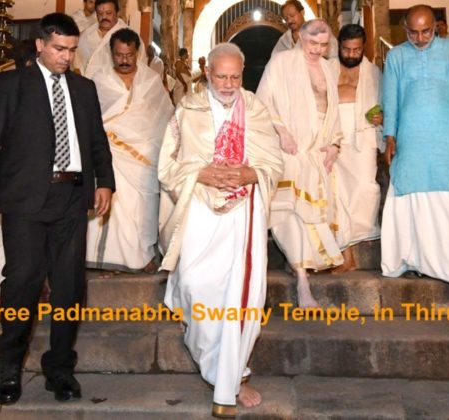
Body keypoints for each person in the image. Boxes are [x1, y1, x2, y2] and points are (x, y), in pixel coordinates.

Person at [0, 13, 115, 405]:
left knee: (70, 289)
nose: (66, 57)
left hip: (72, 200)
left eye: (71, 50)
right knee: (21, 286)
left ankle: (60, 370)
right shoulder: (10, 84)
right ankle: (9, 367)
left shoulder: (84, 89)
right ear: (39, 45)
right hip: (24, 202)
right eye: (58, 49)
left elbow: (97, 142)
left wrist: (106, 182)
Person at [158, 42, 283, 419]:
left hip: (243, 212)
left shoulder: (256, 109)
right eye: (220, 76)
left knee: (239, 298)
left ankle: (232, 378)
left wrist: (251, 173)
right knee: (196, 285)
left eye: (234, 76)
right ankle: (214, 365)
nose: (228, 84)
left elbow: (273, 161)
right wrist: (200, 173)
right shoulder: (187, 109)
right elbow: (166, 166)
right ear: (207, 74)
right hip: (199, 207)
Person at [380, 5, 449, 308]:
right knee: (412, 198)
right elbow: (391, 98)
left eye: (426, 31)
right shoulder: (396, 56)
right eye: (413, 32)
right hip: (411, 140)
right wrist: (390, 135)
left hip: (447, 139)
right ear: (405, 29)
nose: (420, 37)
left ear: (436, 27)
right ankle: (418, 259)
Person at [257, 19, 344, 308]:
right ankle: (302, 281)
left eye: (323, 45)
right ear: (300, 39)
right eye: (312, 44)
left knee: (310, 217)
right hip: (289, 150)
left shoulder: (330, 68)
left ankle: (301, 271)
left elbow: (333, 112)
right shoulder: (282, 62)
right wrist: (280, 131)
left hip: (317, 155)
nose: (317, 50)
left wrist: (334, 145)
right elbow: (263, 101)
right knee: (288, 214)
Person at [86, 28, 174, 275]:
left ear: (138, 53)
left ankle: (142, 255)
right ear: (111, 54)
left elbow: (165, 117)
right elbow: (91, 118)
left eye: (129, 55)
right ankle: (108, 259)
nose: (124, 60)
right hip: (109, 153)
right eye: (119, 55)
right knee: (113, 207)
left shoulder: (151, 81)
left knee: (142, 208)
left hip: (144, 157)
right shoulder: (98, 79)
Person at [329, 24, 382, 274]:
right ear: (339, 46)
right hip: (332, 137)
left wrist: (382, 117)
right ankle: (345, 257)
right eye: (346, 49)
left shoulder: (373, 73)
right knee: (335, 194)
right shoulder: (326, 69)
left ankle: (356, 238)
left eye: (356, 49)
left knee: (364, 188)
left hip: (363, 136)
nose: (351, 54)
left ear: (364, 48)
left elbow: (385, 104)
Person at [76, 0, 143, 78]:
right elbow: (77, 61)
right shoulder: (87, 34)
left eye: (108, 13)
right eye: (100, 13)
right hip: (87, 85)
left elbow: (139, 69)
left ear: (117, 13)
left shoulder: (130, 37)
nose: (104, 17)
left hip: (115, 87)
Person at [271, 0, 337, 59]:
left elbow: (332, 54)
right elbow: (274, 59)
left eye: (292, 15)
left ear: (302, 12)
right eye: (286, 18)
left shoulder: (319, 29)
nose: (289, 21)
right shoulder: (284, 39)